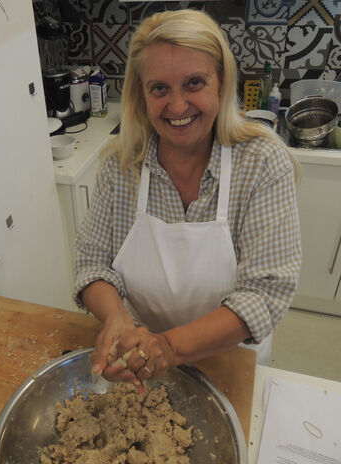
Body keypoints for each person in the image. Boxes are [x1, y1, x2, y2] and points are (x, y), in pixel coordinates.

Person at [73, 9, 302, 391]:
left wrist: (169, 347)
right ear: (141, 94)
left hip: (230, 363)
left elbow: (264, 295)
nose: (177, 107)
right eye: (159, 88)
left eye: (194, 83)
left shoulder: (262, 162)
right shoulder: (121, 164)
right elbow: (91, 264)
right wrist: (117, 320)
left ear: (222, 82)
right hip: (138, 362)